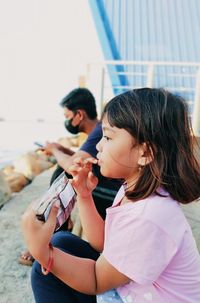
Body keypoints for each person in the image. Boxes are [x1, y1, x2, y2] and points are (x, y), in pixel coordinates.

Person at [22, 88, 200, 303]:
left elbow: (96, 280)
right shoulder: (131, 189)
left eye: (108, 137)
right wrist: (85, 197)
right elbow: (105, 245)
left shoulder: (150, 215)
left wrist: (40, 251)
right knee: (62, 242)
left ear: (146, 153)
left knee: (46, 273)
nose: (98, 145)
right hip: (131, 292)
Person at [19, 87, 122, 266]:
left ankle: (48, 234)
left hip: (113, 192)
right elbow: (82, 157)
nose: (66, 121)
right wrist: (62, 149)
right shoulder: (96, 133)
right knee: (65, 171)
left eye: (68, 117)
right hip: (110, 186)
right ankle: (60, 226)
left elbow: (72, 165)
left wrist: (54, 151)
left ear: (79, 115)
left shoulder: (98, 131)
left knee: (65, 172)